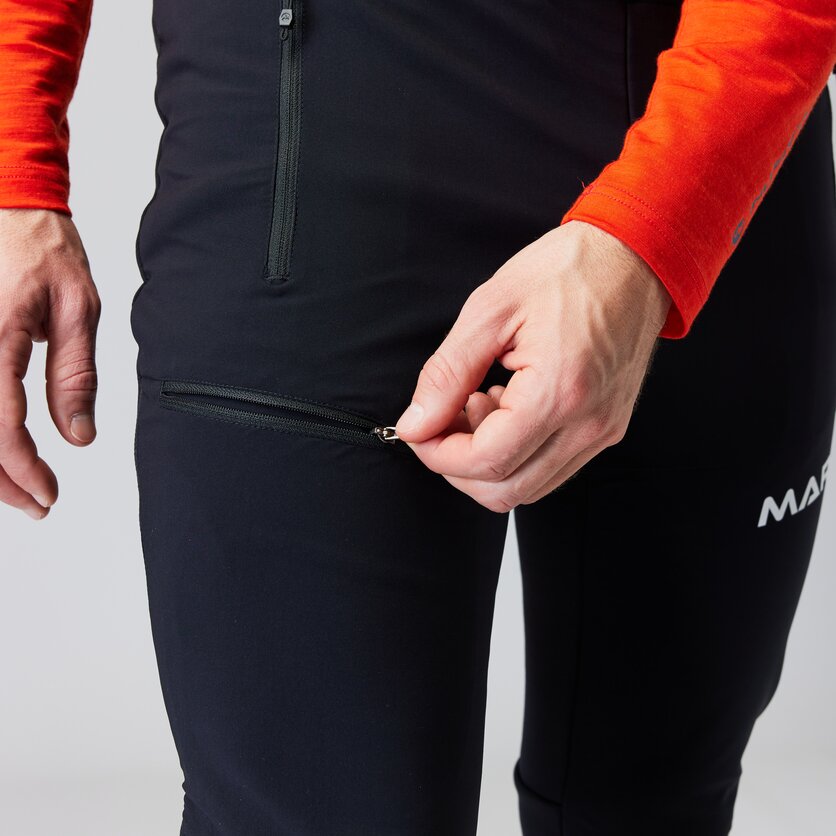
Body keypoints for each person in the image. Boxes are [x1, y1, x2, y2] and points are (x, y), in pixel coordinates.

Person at [1, 0, 835, 833]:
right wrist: (13, 166)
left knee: (659, 805)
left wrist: (655, 235)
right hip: (311, 160)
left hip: (722, 139)